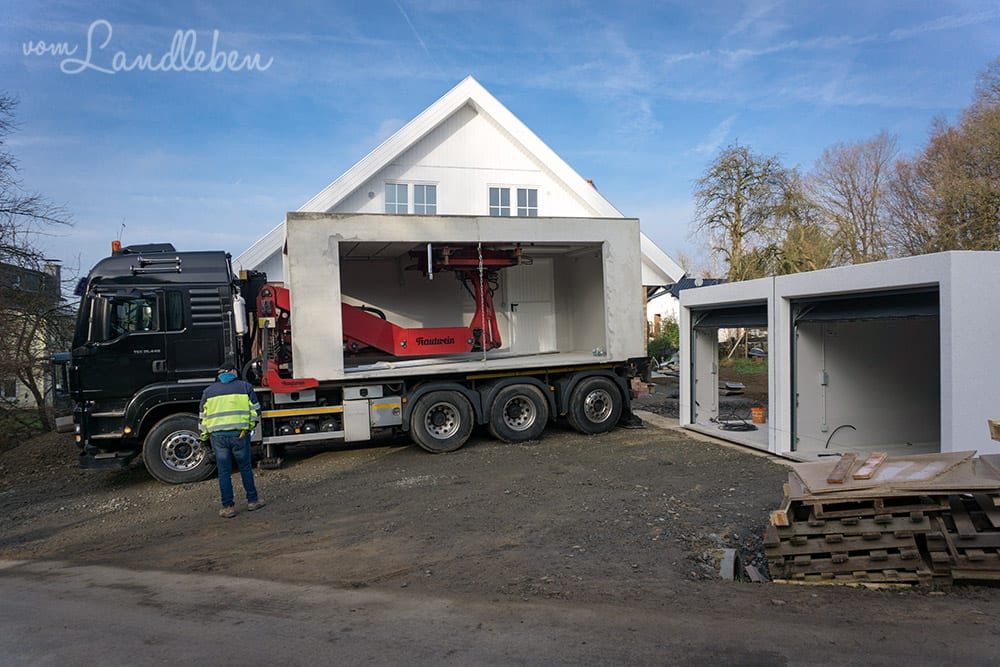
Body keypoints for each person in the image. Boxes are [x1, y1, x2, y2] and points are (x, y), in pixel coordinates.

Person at [199, 361, 264, 518]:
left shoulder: (208, 392)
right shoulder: (245, 387)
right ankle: (252, 501)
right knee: (245, 468)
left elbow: (203, 418)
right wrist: (248, 428)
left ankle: (228, 507)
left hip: (218, 438)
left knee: (224, 472)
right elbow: (256, 411)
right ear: (233, 372)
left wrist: (204, 438)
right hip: (239, 435)